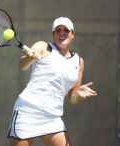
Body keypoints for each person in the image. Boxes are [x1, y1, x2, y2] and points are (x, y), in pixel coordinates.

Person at [7, 17, 97, 146]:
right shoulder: (43, 46)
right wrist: (28, 58)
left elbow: (72, 97)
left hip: (52, 117)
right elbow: (22, 66)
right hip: (28, 111)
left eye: (66, 30)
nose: (62, 33)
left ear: (72, 34)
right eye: (58, 30)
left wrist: (79, 94)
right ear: (53, 34)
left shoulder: (78, 61)